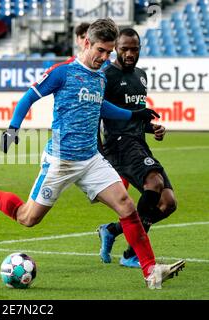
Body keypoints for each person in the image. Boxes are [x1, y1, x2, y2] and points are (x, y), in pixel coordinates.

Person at [0, 18, 185, 289]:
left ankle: (150, 272)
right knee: (27, 218)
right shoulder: (62, 72)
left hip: (90, 160)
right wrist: (13, 129)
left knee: (126, 205)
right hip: (60, 161)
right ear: (86, 43)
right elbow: (29, 97)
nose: (104, 57)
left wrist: (136, 115)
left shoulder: (100, 77)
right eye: (100, 50)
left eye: (109, 52)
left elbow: (103, 109)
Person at [97, 28, 177, 268]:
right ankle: (132, 254)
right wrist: (98, 150)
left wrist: (152, 129)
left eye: (134, 49)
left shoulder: (141, 76)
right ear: (116, 49)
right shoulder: (106, 75)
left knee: (167, 202)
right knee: (154, 183)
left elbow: (134, 117)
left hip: (137, 143)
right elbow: (97, 111)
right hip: (117, 144)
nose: (130, 53)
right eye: (124, 49)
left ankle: (111, 230)